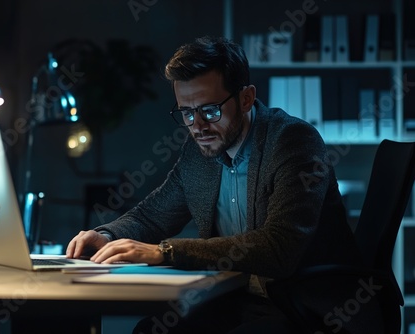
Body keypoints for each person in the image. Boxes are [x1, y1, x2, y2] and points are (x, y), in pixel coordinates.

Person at [66, 35, 360, 333]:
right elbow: (152, 215)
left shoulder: (293, 141)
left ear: (245, 98)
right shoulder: (200, 151)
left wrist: (166, 252)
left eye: (210, 110)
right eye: (187, 113)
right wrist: (106, 235)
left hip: (306, 307)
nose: (198, 126)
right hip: (240, 301)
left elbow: (280, 248)